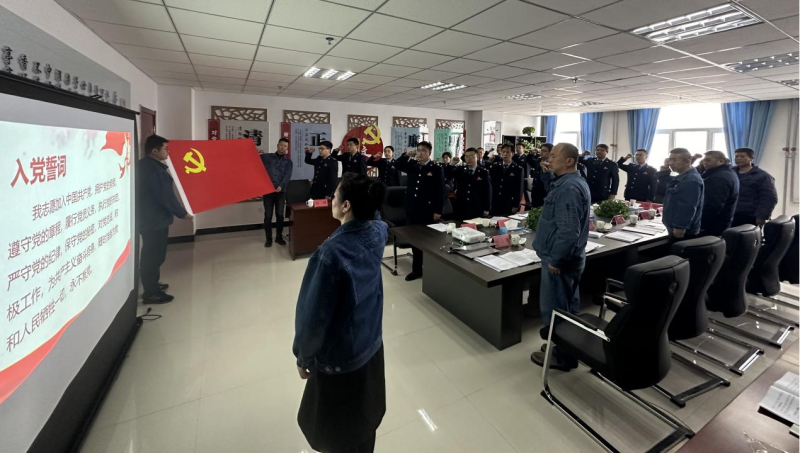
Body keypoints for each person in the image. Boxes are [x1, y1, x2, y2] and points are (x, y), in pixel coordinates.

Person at [294, 173, 387, 453]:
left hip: (341, 358)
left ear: (346, 206)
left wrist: (303, 356)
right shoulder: (379, 231)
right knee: (364, 422)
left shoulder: (330, 255)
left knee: (339, 433)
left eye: (335, 195)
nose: (331, 199)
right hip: (371, 344)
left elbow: (313, 317)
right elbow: (376, 216)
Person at [529, 143, 591, 371]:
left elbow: (568, 230)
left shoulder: (569, 188)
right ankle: (568, 348)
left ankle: (562, 356)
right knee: (568, 306)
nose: (548, 158)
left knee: (556, 310)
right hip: (570, 258)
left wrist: (556, 259)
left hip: (560, 260)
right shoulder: (569, 182)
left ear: (569, 161)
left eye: (554, 156)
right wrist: (547, 176)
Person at [136, 135, 192, 304]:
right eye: (165, 149)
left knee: (153, 254)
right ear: (154, 151)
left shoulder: (146, 166)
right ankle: (151, 292)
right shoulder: (154, 170)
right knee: (153, 256)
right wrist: (182, 213)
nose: (168, 152)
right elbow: (165, 196)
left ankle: (153, 284)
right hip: (154, 220)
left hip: (150, 218)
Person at [394, 141, 444, 281]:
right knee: (414, 240)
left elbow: (440, 191)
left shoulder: (436, 168)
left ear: (429, 153)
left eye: (423, 151)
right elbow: (397, 165)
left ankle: (429, 267)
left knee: (427, 241)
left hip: (427, 210)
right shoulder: (413, 165)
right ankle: (417, 270)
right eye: (418, 150)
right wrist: (406, 155)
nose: (420, 153)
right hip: (411, 208)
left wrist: (438, 211)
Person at [662, 148, 704, 239]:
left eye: (674, 160)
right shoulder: (683, 176)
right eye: (670, 160)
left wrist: (680, 227)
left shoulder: (691, 180)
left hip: (683, 231)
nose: (670, 163)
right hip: (673, 226)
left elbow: (688, 206)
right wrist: (664, 168)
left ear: (687, 162)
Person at [732, 147, 778, 227]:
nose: (738, 159)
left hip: (749, 216)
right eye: (736, 156)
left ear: (751, 158)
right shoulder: (731, 173)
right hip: (731, 213)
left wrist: (762, 216)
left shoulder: (762, 176)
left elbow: (769, 198)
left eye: (742, 156)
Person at [261, 138, 293, 248]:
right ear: (277, 145)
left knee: (279, 215)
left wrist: (281, 186)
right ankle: (268, 239)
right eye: (281, 145)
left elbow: (287, 176)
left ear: (287, 148)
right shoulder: (267, 157)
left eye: (285, 146)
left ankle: (279, 237)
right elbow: (255, 158)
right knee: (268, 215)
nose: (282, 147)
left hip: (281, 192)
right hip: (268, 191)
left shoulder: (288, 162)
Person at [700, 150, 739, 237]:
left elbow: (712, 205)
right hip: (722, 222)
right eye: (704, 160)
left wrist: (698, 221)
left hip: (712, 225)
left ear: (721, 161)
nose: (705, 163)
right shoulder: (728, 172)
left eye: (708, 160)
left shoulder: (719, 178)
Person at [452, 147, 492, 220]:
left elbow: (488, 191)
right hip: (462, 207)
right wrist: (452, 163)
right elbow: (448, 175)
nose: (469, 159)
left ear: (477, 157)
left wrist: (487, 208)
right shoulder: (460, 170)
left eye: (471, 156)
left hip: (477, 207)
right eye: (466, 157)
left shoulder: (483, 172)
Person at [490, 144, 524, 216]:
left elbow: (519, 188)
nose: (505, 154)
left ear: (512, 154)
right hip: (495, 201)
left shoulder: (518, 169)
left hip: (509, 202)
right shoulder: (495, 166)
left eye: (508, 152)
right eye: (503, 152)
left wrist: (516, 204)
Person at [527, 142, 552, 208]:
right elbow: (529, 160)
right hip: (536, 192)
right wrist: (532, 153)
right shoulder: (539, 161)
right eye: (541, 150)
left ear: (550, 152)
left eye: (544, 151)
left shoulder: (552, 164)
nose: (541, 152)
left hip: (545, 192)